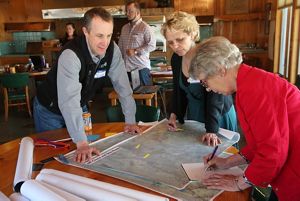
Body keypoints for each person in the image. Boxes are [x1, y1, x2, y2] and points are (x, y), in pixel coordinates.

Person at [189, 36, 300, 201]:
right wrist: (226, 163)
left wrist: (239, 183)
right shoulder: (248, 83)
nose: (208, 89)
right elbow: (260, 143)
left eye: (205, 82)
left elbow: (272, 152)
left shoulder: (255, 90)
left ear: (220, 70)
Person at [33, 7, 141, 163]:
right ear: (85, 31)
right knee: (54, 160)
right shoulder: (71, 55)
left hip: (79, 104)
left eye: (109, 35)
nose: (105, 42)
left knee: (83, 160)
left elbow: (123, 86)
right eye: (99, 36)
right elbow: (69, 102)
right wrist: (82, 142)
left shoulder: (112, 50)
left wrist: (130, 121)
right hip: (49, 110)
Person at [161, 11, 237, 146]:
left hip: (217, 114)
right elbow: (179, 90)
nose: (175, 46)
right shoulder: (176, 58)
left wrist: (212, 130)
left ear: (193, 34)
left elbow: (216, 96)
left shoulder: (207, 56)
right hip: (195, 114)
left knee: (219, 157)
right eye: (170, 42)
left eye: (180, 40)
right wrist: (174, 114)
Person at [118, 1, 156, 86]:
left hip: (141, 69)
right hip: (126, 69)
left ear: (138, 12)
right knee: (129, 97)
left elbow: (152, 45)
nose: (127, 13)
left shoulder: (145, 27)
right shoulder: (124, 28)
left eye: (130, 11)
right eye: (126, 11)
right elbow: (120, 47)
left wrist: (135, 51)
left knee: (144, 96)